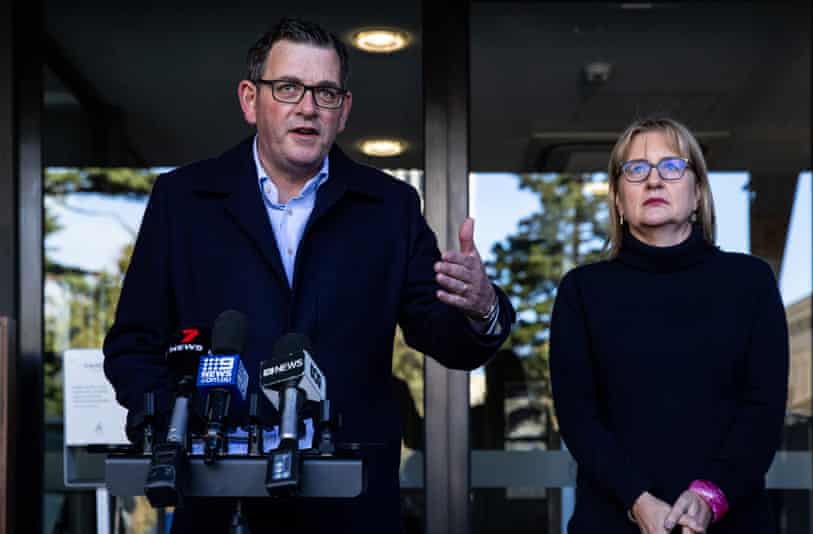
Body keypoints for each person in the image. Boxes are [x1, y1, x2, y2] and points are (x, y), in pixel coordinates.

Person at [103, 18, 514, 533]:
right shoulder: (183, 201)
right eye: (289, 88)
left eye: (325, 92)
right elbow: (133, 345)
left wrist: (481, 307)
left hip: (349, 503)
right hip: (219, 501)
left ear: (343, 112)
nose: (307, 107)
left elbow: (444, 337)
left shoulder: (389, 207)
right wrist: (182, 425)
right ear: (251, 100)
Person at [549, 117, 788, 533]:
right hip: (612, 520)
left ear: (697, 193)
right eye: (636, 169)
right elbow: (578, 418)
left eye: (672, 167)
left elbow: (763, 410)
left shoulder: (750, 283)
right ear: (619, 200)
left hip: (734, 521)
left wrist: (711, 496)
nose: (654, 181)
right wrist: (638, 501)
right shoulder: (582, 291)